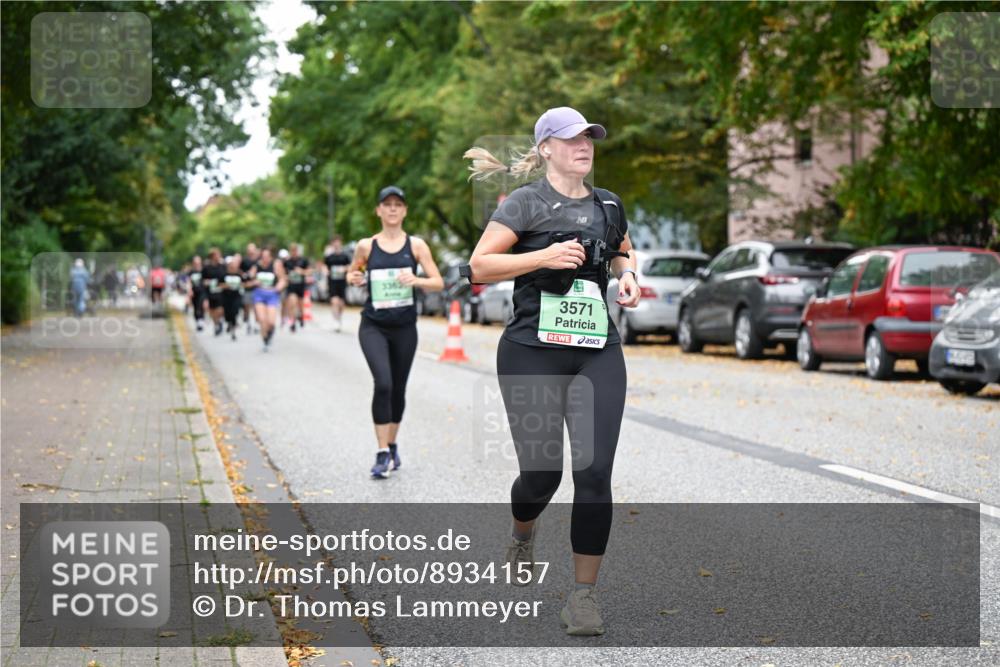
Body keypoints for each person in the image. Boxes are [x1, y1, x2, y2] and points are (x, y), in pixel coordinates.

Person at [465, 107, 640, 636]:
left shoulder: (609, 203)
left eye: (588, 138)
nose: (583, 146)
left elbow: (622, 253)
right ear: (546, 148)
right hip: (530, 351)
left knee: (594, 473)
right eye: (570, 139)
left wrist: (627, 276)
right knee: (543, 474)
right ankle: (523, 531)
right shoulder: (526, 202)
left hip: (596, 349)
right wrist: (541, 258)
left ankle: (583, 597)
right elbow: (479, 267)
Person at [346, 185, 444, 479]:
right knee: (384, 383)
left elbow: (438, 282)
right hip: (373, 325)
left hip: (404, 327)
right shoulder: (366, 246)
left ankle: (391, 443)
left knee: (399, 388)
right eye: (386, 204)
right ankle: (381, 452)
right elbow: (354, 272)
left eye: (397, 204)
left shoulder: (416, 246)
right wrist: (353, 277)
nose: (392, 209)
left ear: (404, 211)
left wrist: (416, 280)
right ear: (378, 210)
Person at [249, 247, 287, 351]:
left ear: (271, 257)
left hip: (272, 294)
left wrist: (279, 286)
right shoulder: (257, 266)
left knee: (271, 322)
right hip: (259, 294)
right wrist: (253, 281)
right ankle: (265, 340)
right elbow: (249, 278)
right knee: (262, 319)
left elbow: (283, 279)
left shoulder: (275, 266)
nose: (265, 259)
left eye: (267, 256)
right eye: (263, 256)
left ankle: (270, 333)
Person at [324, 236, 351, 332]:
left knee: (341, 304)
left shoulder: (345, 256)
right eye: (334, 242)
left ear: (340, 243)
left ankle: (339, 317)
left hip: (342, 282)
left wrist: (344, 269)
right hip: (332, 282)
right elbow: (325, 267)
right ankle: (335, 320)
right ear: (332, 244)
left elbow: (350, 267)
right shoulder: (329, 257)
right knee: (334, 301)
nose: (336, 244)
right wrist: (326, 271)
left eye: (338, 242)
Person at [283, 243, 311, 332]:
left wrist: (301, 271)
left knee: (300, 305)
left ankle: (301, 316)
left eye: (295, 250)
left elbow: (310, 271)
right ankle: (293, 322)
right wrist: (286, 277)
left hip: (300, 286)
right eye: (292, 250)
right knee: (292, 303)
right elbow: (282, 273)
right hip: (291, 287)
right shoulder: (287, 262)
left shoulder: (303, 260)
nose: (294, 252)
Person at [203, 248, 227, 336]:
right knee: (212, 309)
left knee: (221, 308)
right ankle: (216, 324)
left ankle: (220, 320)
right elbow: (203, 279)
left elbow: (226, 277)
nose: (218, 256)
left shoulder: (223, 266)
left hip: (221, 291)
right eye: (217, 255)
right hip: (210, 291)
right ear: (212, 256)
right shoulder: (207, 267)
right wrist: (207, 282)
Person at [221, 255, 246, 341]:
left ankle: (233, 331)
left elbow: (244, 283)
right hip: (226, 297)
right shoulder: (224, 274)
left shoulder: (239, 274)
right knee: (228, 314)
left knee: (235, 312)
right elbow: (219, 284)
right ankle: (229, 323)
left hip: (236, 296)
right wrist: (226, 286)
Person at [241, 243, 261, 334]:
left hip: (257, 286)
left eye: (252, 250)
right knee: (247, 306)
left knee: (256, 306)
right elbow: (240, 271)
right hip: (247, 286)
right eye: (249, 250)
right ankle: (248, 322)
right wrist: (245, 275)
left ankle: (257, 324)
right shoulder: (244, 261)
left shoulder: (259, 261)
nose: (251, 252)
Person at [187, 256, 206, 331]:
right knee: (196, 307)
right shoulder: (191, 272)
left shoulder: (203, 271)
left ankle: (201, 319)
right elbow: (188, 281)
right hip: (194, 292)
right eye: (195, 263)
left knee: (201, 305)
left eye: (198, 262)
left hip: (202, 291)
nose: (197, 264)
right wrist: (189, 290)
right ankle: (198, 321)